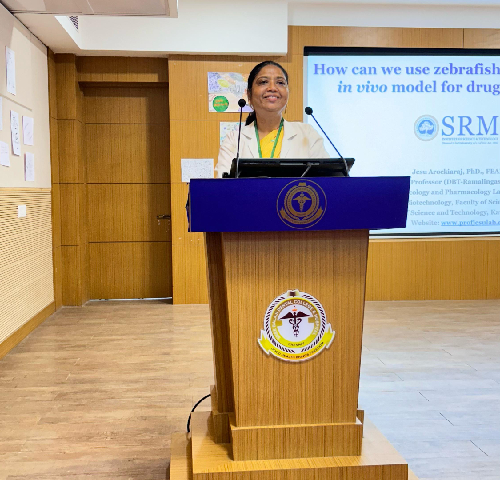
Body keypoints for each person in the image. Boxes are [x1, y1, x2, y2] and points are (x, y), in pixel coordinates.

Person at [215, 61, 330, 177]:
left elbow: (326, 180)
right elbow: (223, 184)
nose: (272, 88)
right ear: (249, 94)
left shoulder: (307, 134)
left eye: (280, 82)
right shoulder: (234, 140)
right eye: (263, 82)